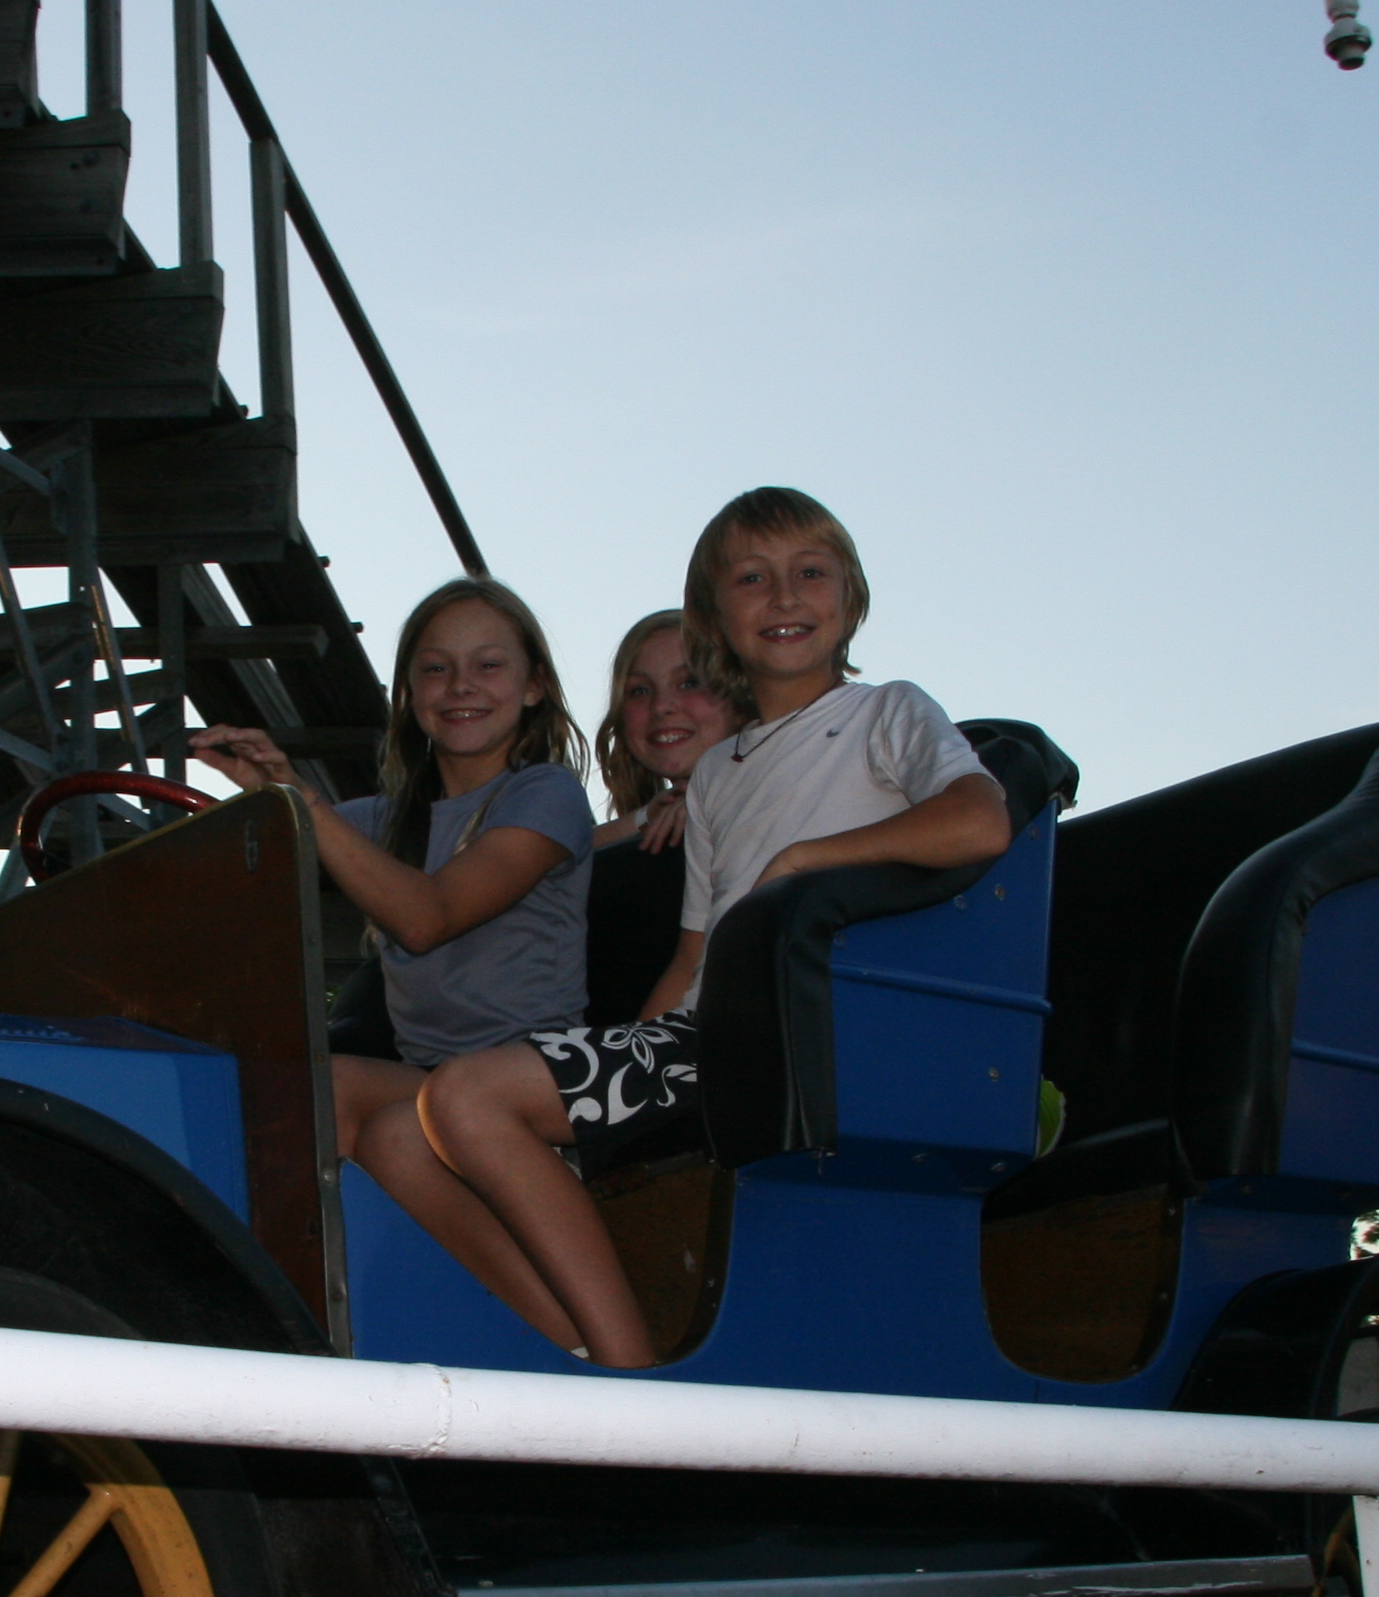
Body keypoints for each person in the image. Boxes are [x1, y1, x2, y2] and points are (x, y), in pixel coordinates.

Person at [410, 488, 1012, 1366]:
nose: (784, 596)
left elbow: (981, 821)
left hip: (793, 1032)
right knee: (422, 1121)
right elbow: (692, 954)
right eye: (752, 579)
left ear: (851, 596)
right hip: (702, 1039)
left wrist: (808, 860)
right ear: (712, 617)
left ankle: (626, 1370)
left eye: (811, 573)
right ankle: (569, 1347)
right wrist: (609, 1079)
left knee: (465, 1096)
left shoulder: (885, 712)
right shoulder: (721, 775)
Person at [190, 582, 592, 1324]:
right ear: (409, 693)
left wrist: (303, 803)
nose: (461, 686)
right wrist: (264, 800)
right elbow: (243, 872)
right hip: (427, 1078)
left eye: (488, 665)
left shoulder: (545, 795)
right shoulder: (383, 820)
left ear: (534, 686)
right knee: (297, 1090)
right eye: (436, 669)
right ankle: (305, 1318)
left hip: (525, 1087)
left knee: (374, 1109)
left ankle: (560, 1333)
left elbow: (428, 918)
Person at [584, 607, 746, 1030]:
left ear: (739, 694)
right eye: (640, 691)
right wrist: (643, 817)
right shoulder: (640, 846)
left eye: (689, 682)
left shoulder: (770, 806)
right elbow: (541, 862)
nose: (662, 706)